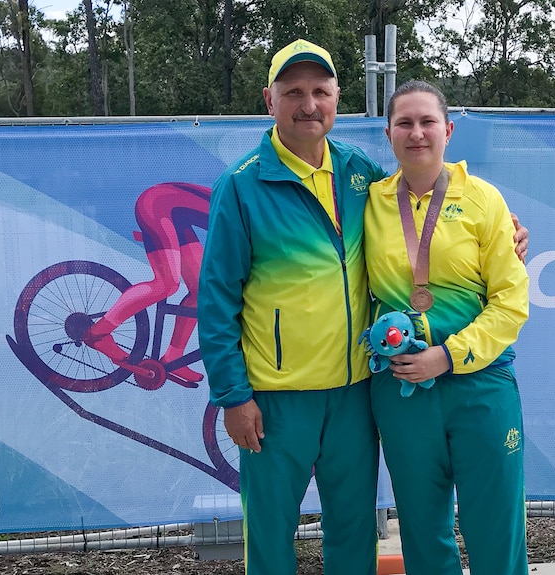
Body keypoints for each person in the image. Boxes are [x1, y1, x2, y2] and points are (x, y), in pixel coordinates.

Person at [198, 40, 529, 575]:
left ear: (336, 99)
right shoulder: (241, 187)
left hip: (355, 394)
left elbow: (429, 202)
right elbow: (215, 301)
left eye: (321, 92)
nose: (309, 104)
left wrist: (508, 231)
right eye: (294, 92)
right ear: (269, 100)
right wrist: (233, 395)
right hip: (277, 398)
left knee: (353, 537)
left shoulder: (361, 177)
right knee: (270, 540)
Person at [364, 80, 530, 575]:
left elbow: (511, 301)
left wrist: (448, 355)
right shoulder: (366, 203)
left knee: (495, 527)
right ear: (388, 133)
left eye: (427, 121)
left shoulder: (484, 201)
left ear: (448, 130)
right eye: (405, 123)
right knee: (421, 529)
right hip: (402, 391)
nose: (417, 133)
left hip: (479, 385)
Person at [84, 181, 209, 385]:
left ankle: (173, 356)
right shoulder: (246, 211)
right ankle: (98, 333)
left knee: (203, 291)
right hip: (157, 207)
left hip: (177, 218)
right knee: (168, 284)